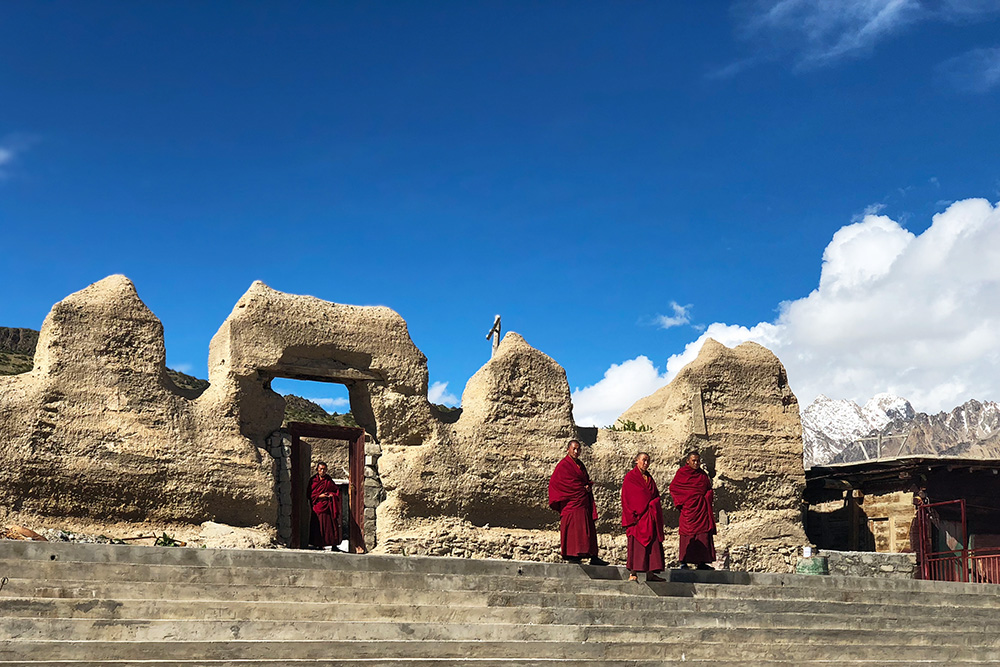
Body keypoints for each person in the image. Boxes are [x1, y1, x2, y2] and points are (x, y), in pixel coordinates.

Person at [548, 440, 609, 565]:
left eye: (578, 449)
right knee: (573, 530)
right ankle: (573, 556)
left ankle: (592, 555)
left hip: (582, 502)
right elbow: (557, 483)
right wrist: (581, 488)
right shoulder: (563, 465)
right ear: (568, 449)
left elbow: (584, 481)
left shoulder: (580, 465)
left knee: (588, 529)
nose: (576, 452)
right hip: (572, 503)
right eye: (574, 449)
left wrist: (586, 487)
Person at [621, 452, 666, 582]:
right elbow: (627, 498)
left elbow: (655, 496)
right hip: (637, 518)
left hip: (650, 517)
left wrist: (654, 504)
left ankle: (650, 574)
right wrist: (632, 517)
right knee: (635, 545)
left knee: (652, 546)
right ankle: (633, 573)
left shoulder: (649, 478)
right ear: (637, 460)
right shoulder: (631, 477)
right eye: (644, 460)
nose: (646, 463)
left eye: (648, 461)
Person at [668, 451, 716, 570]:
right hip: (689, 509)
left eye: (698, 461)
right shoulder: (682, 473)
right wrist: (683, 502)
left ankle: (702, 562)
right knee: (687, 535)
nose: (696, 463)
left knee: (702, 535)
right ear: (687, 461)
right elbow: (674, 488)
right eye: (693, 461)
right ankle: (684, 561)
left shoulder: (702, 475)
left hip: (701, 509)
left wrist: (706, 496)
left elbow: (708, 489)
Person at [309, 461, 341, 551]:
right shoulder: (313, 480)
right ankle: (319, 544)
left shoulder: (328, 480)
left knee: (331, 526)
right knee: (318, 525)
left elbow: (336, 490)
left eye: (324, 469)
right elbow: (310, 494)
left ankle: (333, 544)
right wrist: (320, 496)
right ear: (317, 470)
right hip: (318, 507)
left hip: (328, 507)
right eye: (321, 469)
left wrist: (332, 495)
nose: (322, 471)